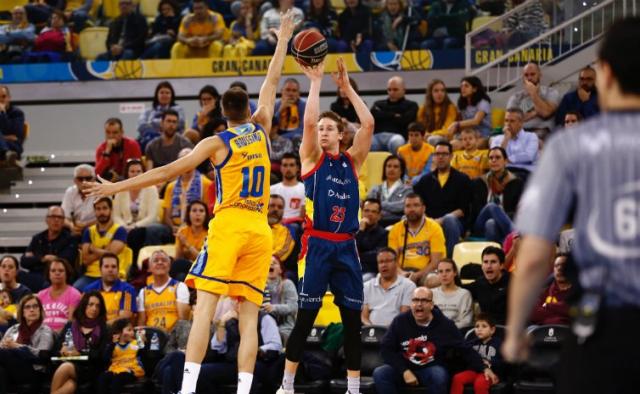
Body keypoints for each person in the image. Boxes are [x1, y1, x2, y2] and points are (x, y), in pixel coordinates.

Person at [87, 11, 296, 394]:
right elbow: (272, 81)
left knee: (204, 309)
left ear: (221, 114)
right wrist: (282, 40)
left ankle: (187, 388)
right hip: (259, 230)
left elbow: (165, 173)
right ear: (249, 110)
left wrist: (114, 189)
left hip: (230, 225)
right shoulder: (263, 129)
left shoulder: (216, 143)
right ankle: (245, 389)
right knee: (249, 321)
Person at [503, 19, 640, 391]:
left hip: (602, 333)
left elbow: (533, 255)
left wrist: (515, 331)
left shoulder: (570, 146)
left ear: (605, 73)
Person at [276, 57, 374, 394]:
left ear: (341, 134)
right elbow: (307, 126)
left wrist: (347, 91)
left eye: (328, 128)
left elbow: (370, 124)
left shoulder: (353, 159)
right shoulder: (310, 158)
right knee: (305, 318)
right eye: (320, 129)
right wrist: (315, 82)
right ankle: (286, 386)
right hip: (316, 244)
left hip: (346, 245)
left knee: (351, 323)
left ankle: (353, 389)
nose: (322, 131)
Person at [373, 287, 486, 394]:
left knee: (439, 375)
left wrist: (484, 368)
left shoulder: (445, 325)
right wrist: (404, 371)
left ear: (432, 305)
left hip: (431, 369)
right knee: (380, 373)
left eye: (424, 300)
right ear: (411, 303)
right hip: (405, 368)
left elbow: (464, 348)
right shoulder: (400, 321)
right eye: (415, 300)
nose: (419, 304)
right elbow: (386, 349)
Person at [413, 141, 473, 258]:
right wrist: (429, 220)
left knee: (449, 219)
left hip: (454, 222)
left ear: (451, 156)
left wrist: (441, 220)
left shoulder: (462, 179)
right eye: (437, 154)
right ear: (433, 157)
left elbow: (463, 209)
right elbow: (419, 205)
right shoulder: (424, 181)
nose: (440, 157)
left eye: (444, 154)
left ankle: (450, 260)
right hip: (429, 220)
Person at [49, 291, 109, 394]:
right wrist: (62, 352)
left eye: (98, 306)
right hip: (70, 366)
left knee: (66, 367)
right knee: (70, 386)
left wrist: (80, 353)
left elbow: (102, 355)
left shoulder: (104, 328)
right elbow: (54, 351)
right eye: (91, 304)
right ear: (84, 305)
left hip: (91, 368)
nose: (94, 309)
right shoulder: (70, 326)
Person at [0, 295, 54, 392]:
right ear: (22, 312)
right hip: (11, 367)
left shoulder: (45, 330)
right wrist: (4, 345)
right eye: (28, 307)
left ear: (40, 310)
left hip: (34, 370)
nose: (32, 310)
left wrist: (17, 347)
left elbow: (43, 355)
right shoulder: (13, 329)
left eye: (35, 306)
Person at [471, 147, 524, 243]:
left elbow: (517, 210)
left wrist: (500, 216)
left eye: (497, 157)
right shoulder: (479, 182)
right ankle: (516, 237)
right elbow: (476, 209)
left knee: (491, 224)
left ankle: (501, 251)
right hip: (480, 223)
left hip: (503, 223)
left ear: (505, 161)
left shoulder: (516, 182)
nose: (494, 160)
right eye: (491, 158)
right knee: (491, 206)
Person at [75, 197, 128, 290]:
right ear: (94, 211)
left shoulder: (120, 230)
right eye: (98, 209)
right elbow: (86, 260)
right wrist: (105, 250)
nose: (101, 212)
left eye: (104, 208)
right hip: (91, 275)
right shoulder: (88, 231)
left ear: (111, 210)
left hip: (113, 274)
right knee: (77, 288)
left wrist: (93, 249)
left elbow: (111, 255)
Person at [112, 159, 160, 262]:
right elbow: (115, 215)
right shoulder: (120, 189)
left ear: (143, 173)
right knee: (121, 232)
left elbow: (152, 216)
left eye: (138, 171)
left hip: (145, 227)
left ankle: (135, 265)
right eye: (132, 171)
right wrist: (124, 227)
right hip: (125, 226)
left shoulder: (151, 189)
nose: (135, 174)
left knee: (136, 234)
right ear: (127, 173)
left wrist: (134, 227)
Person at [21, 206, 78, 291]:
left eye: (59, 217)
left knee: (47, 285)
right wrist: (43, 259)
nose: (56, 220)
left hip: (57, 276)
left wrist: (35, 258)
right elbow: (24, 261)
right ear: (47, 220)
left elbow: (67, 260)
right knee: (15, 274)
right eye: (53, 217)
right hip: (36, 274)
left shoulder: (70, 239)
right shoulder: (37, 238)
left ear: (63, 221)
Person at [137, 250, 191, 332]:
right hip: (152, 338)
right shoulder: (143, 292)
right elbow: (141, 323)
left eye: (164, 260)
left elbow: (183, 319)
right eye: (155, 260)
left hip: (174, 338)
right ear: (149, 268)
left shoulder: (180, 287)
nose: (160, 262)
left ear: (169, 265)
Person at [162, 148, 213, 233]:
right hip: (174, 229)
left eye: (190, 160)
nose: (186, 164)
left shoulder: (206, 184)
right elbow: (166, 216)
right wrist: (173, 228)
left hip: (197, 229)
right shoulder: (171, 186)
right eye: (183, 161)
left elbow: (208, 213)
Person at [362, 247, 416, 326]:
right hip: (371, 333)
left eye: (388, 261)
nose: (384, 265)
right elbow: (364, 316)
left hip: (396, 333)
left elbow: (404, 316)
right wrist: (372, 330)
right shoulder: (367, 286)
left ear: (396, 263)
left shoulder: (408, 286)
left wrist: (389, 332)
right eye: (381, 262)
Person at [450, 313, 502, 394]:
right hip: (473, 371)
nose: (479, 329)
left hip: (489, 373)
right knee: (457, 378)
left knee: (480, 383)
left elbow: (502, 361)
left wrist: (490, 363)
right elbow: (466, 357)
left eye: (484, 326)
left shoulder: (498, 343)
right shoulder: (471, 343)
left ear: (492, 330)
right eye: (477, 326)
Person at [506, 63, 560, 139]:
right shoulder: (515, 97)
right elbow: (511, 120)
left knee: (534, 138)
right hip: (520, 131)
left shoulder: (551, 93)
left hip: (542, 131)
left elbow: (546, 112)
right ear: (523, 77)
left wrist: (533, 94)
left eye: (532, 74)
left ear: (539, 75)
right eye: (526, 75)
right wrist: (535, 113)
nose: (529, 78)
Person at [83, 254, 137, 324]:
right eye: (106, 266)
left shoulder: (127, 290)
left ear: (118, 269)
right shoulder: (89, 290)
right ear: (100, 269)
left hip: (117, 331)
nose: (110, 270)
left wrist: (101, 328)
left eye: (113, 267)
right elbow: (82, 313)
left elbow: (124, 317)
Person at [370, 76, 419, 154]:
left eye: (395, 89)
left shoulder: (411, 105)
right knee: (367, 143)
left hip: (397, 136)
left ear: (403, 90)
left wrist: (383, 115)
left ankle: (396, 165)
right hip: (377, 135)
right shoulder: (378, 103)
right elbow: (372, 116)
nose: (391, 92)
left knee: (397, 142)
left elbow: (405, 120)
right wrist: (394, 115)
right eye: (389, 89)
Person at [489, 107, 539, 180]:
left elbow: (529, 156)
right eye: (506, 121)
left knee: (514, 179)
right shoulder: (497, 139)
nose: (508, 124)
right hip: (503, 171)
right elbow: (495, 158)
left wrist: (508, 159)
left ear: (521, 123)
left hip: (524, 171)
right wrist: (506, 139)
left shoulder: (531, 137)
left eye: (512, 121)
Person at [98, 318, 145, 394]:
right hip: (115, 370)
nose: (132, 333)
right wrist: (112, 345)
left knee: (118, 379)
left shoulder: (136, 343)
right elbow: (105, 359)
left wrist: (141, 341)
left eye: (133, 330)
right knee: (103, 377)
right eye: (129, 330)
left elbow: (143, 354)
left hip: (131, 371)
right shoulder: (113, 345)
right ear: (119, 333)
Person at [465, 246, 509, 325]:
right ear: (482, 266)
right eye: (485, 262)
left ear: (502, 265)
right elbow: (459, 288)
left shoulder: (514, 284)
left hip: (508, 330)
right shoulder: (480, 283)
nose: (489, 266)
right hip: (485, 331)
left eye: (493, 262)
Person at [138, 81, 187, 151]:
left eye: (167, 93)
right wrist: (162, 128)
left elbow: (181, 123)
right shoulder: (147, 112)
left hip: (173, 139)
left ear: (171, 95)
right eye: (162, 92)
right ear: (156, 95)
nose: (164, 95)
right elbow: (141, 127)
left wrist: (153, 123)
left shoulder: (178, 109)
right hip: (150, 139)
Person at [367, 155, 413, 226]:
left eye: (395, 167)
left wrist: (380, 204)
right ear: (384, 169)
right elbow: (369, 206)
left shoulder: (408, 189)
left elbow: (402, 206)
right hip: (375, 226)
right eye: (389, 166)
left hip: (397, 224)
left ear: (401, 170)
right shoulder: (375, 189)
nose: (391, 169)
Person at [37, 258, 81, 332]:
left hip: (64, 334)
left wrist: (55, 333)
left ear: (67, 273)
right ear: (49, 274)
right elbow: (37, 320)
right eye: (53, 271)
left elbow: (71, 322)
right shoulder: (41, 295)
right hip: (42, 334)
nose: (57, 273)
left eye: (61, 271)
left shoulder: (74, 294)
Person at [529, 254, 572, 326]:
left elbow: (573, 310)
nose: (559, 268)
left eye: (564, 265)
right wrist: (561, 313)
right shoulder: (544, 291)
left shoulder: (577, 291)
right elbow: (533, 314)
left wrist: (547, 306)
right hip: (542, 333)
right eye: (556, 266)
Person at [95, 118, 142, 182]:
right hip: (109, 185)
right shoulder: (101, 148)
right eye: (108, 132)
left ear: (122, 132)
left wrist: (120, 179)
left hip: (129, 182)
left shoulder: (132, 145)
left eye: (115, 132)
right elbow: (97, 174)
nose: (111, 136)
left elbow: (137, 169)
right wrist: (107, 153)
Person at [270, 153, 306, 235]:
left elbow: (302, 217)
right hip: (273, 224)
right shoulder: (271, 189)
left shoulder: (304, 189)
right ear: (281, 168)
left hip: (293, 227)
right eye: (285, 165)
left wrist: (285, 222)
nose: (288, 168)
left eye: (291, 165)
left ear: (297, 168)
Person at [264, 258, 298, 342]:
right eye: (268, 263)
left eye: (274, 263)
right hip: (264, 326)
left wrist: (273, 308)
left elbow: (294, 307)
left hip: (284, 328)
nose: (271, 265)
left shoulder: (287, 284)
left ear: (280, 270)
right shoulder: (259, 286)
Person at [173, 200, 209, 281]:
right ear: (188, 214)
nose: (198, 214)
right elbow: (177, 259)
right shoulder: (183, 232)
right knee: (181, 276)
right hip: (187, 270)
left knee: (180, 265)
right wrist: (181, 245)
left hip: (204, 269)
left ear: (206, 215)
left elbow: (204, 261)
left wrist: (187, 244)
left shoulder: (210, 233)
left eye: (201, 211)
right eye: (194, 210)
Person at [432, 259, 473, 328]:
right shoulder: (431, 293)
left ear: (455, 273)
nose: (444, 274)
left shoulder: (464, 294)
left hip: (457, 333)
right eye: (440, 271)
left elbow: (466, 321)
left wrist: (447, 328)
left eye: (448, 271)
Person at [356, 198, 389, 281]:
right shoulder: (354, 231)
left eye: (373, 212)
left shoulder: (384, 234)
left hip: (370, 272)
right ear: (362, 212)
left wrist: (358, 255)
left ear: (379, 215)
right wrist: (361, 231)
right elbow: (350, 251)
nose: (369, 214)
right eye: (366, 211)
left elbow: (377, 256)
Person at [61, 164, 97, 238]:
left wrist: (86, 225)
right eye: (80, 179)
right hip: (73, 229)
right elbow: (64, 217)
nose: (84, 182)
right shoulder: (70, 192)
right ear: (75, 180)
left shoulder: (101, 191)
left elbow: (108, 217)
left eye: (88, 178)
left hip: (96, 228)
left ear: (94, 179)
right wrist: (71, 225)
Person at [0, 85, 25, 165]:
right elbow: (9, 135)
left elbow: (14, 135)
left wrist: (2, 113)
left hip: (13, 147)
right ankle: (6, 153)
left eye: (3, 97)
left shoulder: (17, 113)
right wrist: (5, 137)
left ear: (9, 98)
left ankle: (6, 153)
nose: (1, 100)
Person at [268, 195, 296, 264]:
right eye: (272, 205)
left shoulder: (287, 232)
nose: (276, 209)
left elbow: (279, 255)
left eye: (280, 207)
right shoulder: (254, 226)